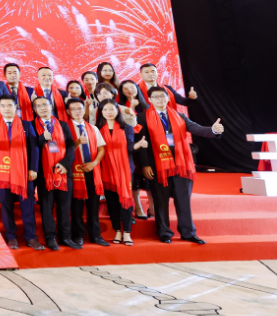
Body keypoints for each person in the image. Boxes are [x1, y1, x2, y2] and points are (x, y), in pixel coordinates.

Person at [138, 86, 224, 244]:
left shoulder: (180, 116)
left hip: (181, 164)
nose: (160, 99)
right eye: (156, 97)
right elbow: (141, 143)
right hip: (157, 165)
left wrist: (213, 130)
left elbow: (197, 129)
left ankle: (188, 232)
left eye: (163, 96)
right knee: (161, 201)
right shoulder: (142, 118)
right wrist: (144, 165)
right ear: (149, 100)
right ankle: (164, 232)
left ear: (167, 98)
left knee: (183, 200)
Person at [0, 96, 42, 250]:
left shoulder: (26, 124)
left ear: (15, 106)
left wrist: (33, 168)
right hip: (4, 173)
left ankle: (31, 237)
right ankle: (11, 237)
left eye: (9, 105)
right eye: (3, 106)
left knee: (27, 206)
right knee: (6, 206)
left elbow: (34, 148)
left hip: (24, 174)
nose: (6, 108)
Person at [32, 96, 78, 250]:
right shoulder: (31, 125)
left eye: (45, 105)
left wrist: (65, 164)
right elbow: (31, 148)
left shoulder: (63, 125)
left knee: (64, 206)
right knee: (47, 206)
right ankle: (50, 237)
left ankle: (65, 237)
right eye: (39, 106)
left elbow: (71, 146)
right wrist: (41, 139)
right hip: (44, 173)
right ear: (35, 110)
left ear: (51, 106)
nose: (43, 108)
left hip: (63, 171)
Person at [96, 99, 141, 246]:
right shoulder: (97, 129)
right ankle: (117, 231)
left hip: (124, 170)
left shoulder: (126, 127)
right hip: (106, 170)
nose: (109, 112)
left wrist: (138, 145)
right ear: (101, 112)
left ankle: (127, 232)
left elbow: (129, 147)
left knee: (125, 201)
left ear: (117, 111)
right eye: (105, 110)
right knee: (112, 202)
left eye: (112, 109)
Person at [66, 97, 108, 247]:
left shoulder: (93, 128)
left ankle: (95, 235)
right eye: (74, 109)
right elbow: (63, 150)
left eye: (80, 108)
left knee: (93, 205)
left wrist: (94, 163)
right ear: (68, 111)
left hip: (91, 170)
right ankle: (78, 235)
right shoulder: (65, 128)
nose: (77, 111)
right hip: (73, 171)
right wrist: (77, 142)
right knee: (76, 206)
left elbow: (101, 149)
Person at [119, 79, 151, 218]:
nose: (129, 91)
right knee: (134, 177)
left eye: (132, 87)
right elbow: (126, 126)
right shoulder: (120, 107)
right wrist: (131, 109)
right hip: (130, 143)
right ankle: (138, 207)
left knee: (149, 176)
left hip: (147, 143)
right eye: (125, 89)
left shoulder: (147, 106)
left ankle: (152, 207)